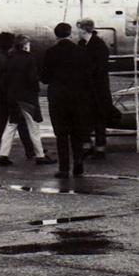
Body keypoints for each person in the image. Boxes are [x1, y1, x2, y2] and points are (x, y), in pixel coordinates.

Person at [41, 22, 91, 178]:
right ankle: (78, 162)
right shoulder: (81, 52)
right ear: (70, 34)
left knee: (61, 133)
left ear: (56, 35)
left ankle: (64, 168)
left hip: (58, 96)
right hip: (76, 96)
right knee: (76, 131)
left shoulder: (50, 53)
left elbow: (45, 78)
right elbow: (87, 76)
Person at [0, 35, 54, 166]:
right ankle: (40, 155)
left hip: (12, 97)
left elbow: (4, 79)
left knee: (12, 125)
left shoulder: (8, 58)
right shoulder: (29, 59)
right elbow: (32, 80)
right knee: (33, 126)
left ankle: (3, 154)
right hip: (27, 98)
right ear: (25, 46)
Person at [0, 32, 36, 160]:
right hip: (14, 96)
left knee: (0, 124)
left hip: (1, 97)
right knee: (21, 123)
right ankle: (30, 150)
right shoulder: (13, 59)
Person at [75, 18, 114, 160]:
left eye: (78, 29)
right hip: (85, 88)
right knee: (84, 116)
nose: (77, 32)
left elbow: (101, 67)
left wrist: (85, 72)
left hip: (98, 88)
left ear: (84, 29)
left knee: (98, 118)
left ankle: (100, 148)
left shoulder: (99, 45)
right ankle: (87, 145)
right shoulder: (81, 44)